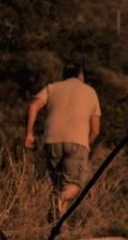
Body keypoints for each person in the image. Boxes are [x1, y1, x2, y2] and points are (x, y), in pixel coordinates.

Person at [24, 62, 101, 220]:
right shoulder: (90, 92)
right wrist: (86, 144)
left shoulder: (52, 87)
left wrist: (29, 134)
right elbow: (95, 130)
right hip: (78, 141)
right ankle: (59, 200)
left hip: (51, 141)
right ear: (81, 76)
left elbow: (33, 106)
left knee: (59, 186)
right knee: (73, 186)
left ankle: (58, 229)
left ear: (64, 75)